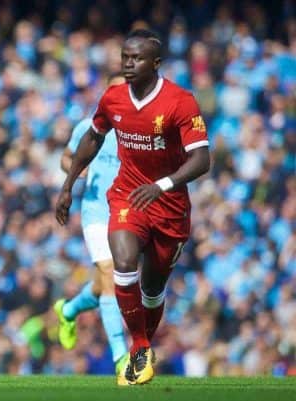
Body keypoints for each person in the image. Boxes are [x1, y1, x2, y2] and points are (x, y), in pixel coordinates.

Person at [55, 29, 210, 385]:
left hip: (169, 205)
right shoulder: (113, 99)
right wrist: (67, 186)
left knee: (153, 289)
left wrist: (162, 185)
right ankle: (136, 349)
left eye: (136, 58)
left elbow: (202, 159)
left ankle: (141, 343)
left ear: (156, 64)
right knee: (121, 265)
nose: (128, 64)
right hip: (125, 196)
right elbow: (92, 137)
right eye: (124, 57)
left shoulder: (180, 101)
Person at [53, 73, 129, 385]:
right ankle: (122, 359)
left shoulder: (137, 132)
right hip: (96, 210)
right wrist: (75, 176)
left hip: (127, 213)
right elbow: (67, 157)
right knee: (110, 276)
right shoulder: (89, 127)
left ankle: (69, 310)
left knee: (104, 284)